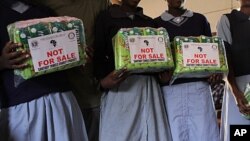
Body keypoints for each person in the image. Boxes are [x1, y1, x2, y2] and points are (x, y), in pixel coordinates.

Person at [0, 0, 88, 140]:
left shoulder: (45, 11)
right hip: (21, 103)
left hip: (61, 95)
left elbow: (64, 47)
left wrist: (78, 53)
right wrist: (2, 62)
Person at [24, 0, 110, 140]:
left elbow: (108, 41)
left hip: (93, 95)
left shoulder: (99, 3)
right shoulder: (42, 6)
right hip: (57, 100)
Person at [93, 0, 172, 141]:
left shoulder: (150, 23)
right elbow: (98, 55)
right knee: (120, 135)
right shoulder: (105, 18)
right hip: (120, 87)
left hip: (150, 88)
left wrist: (162, 78)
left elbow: (158, 59)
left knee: (153, 133)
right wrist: (103, 82)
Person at [154, 0, 220, 141]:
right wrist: (160, 78)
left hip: (199, 89)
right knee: (174, 134)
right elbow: (154, 63)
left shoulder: (200, 20)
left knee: (205, 134)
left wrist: (214, 73)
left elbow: (211, 53)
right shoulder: (156, 25)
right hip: (170, 90)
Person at [217, 0, 250, 140]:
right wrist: (236, 92)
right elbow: (225, 58)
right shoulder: (227, 20)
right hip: (238, 87)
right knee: (240, 133)